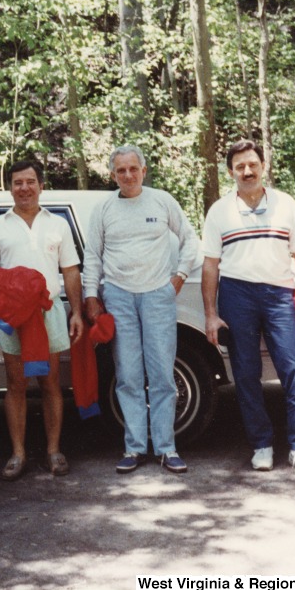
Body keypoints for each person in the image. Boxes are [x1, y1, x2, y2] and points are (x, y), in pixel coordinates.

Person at [202, 139, 295, 476]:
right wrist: (211, 313)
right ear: (230, 172)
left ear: (263, 166)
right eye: (240, 166)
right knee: (246, 372)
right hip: (237, 295)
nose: (247, 171)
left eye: (252, 164)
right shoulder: (219, 211)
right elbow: (210, 266)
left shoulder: (286, 204)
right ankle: (261, 445)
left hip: (281, 294)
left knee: (294, 369)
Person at [83, 145, 198, 475]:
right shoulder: (104, 209)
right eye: (121, 171)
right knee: (128, 375)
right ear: (112, 175)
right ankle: (134, 447)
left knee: (162, 373)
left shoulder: (161, 200)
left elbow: (190, 239)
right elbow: (93, 255)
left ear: (144, 171)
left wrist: (178, 277)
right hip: (118, 296)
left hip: (158, 296)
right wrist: (92, 295)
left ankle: (166, 448)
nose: (128, 175)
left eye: (134, 169)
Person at [0, 160, 84, 481]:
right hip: (11, 315)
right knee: (16, 383)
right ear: (9, 187)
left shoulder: (58, 223)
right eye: (17, 182)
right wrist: (17, 279)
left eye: (30, 181)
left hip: (48, 311)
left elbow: (71, 271)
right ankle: (18, 453)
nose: (24, 188)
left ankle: (54, 451)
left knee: (50, 382)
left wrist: (76, 311)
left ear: (41, 185)